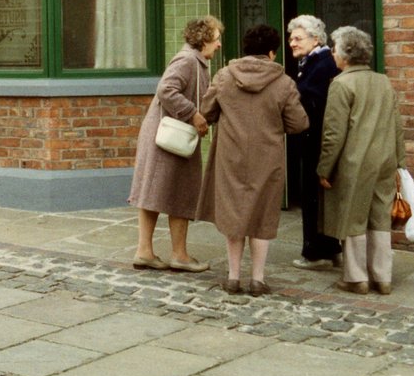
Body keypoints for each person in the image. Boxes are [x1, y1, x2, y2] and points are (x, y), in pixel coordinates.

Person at [197, 24, 308, 295]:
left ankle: (233, 277)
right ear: (271, 53)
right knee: (262, 215)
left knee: (234, 213)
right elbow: (299, 123)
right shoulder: (284, 83)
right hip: (266, 158)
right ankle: (258, 279)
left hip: (230, 157)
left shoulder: (224, 76)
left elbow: (206, 111)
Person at [127, 15, 222, 274]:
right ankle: (177, 255)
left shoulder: (195, 61)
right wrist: (193, 113)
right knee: (178, 191)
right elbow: (166, 89)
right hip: (169, 138)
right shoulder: (188, 60)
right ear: (204, 38)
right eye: (216, 38)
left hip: (166, 135)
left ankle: (145, 251)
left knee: (158, 192)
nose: (219, 44)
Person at [318, 26, 406, 295]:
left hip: (354, 162)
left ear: (345, 55)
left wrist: (324, 168)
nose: (332, 53)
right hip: (385, 159)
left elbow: (334, 134)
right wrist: (399, 163)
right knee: (380, 216)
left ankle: (356, 278)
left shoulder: (341, 84)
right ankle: (383, 277)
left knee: (352, 216)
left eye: (335, 49)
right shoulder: (383, 81)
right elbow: (397, 125)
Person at [286, 15, 342, 270]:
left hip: (317, 141)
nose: (292, 43)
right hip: (314, 139)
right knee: (317, 197)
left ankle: (316, 252)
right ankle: (328, 248)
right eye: (291, 38)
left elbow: (314, 99)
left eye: (298, 38)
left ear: (315, 39)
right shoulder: (313, 62)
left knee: (314, 196)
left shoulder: (322, 64)